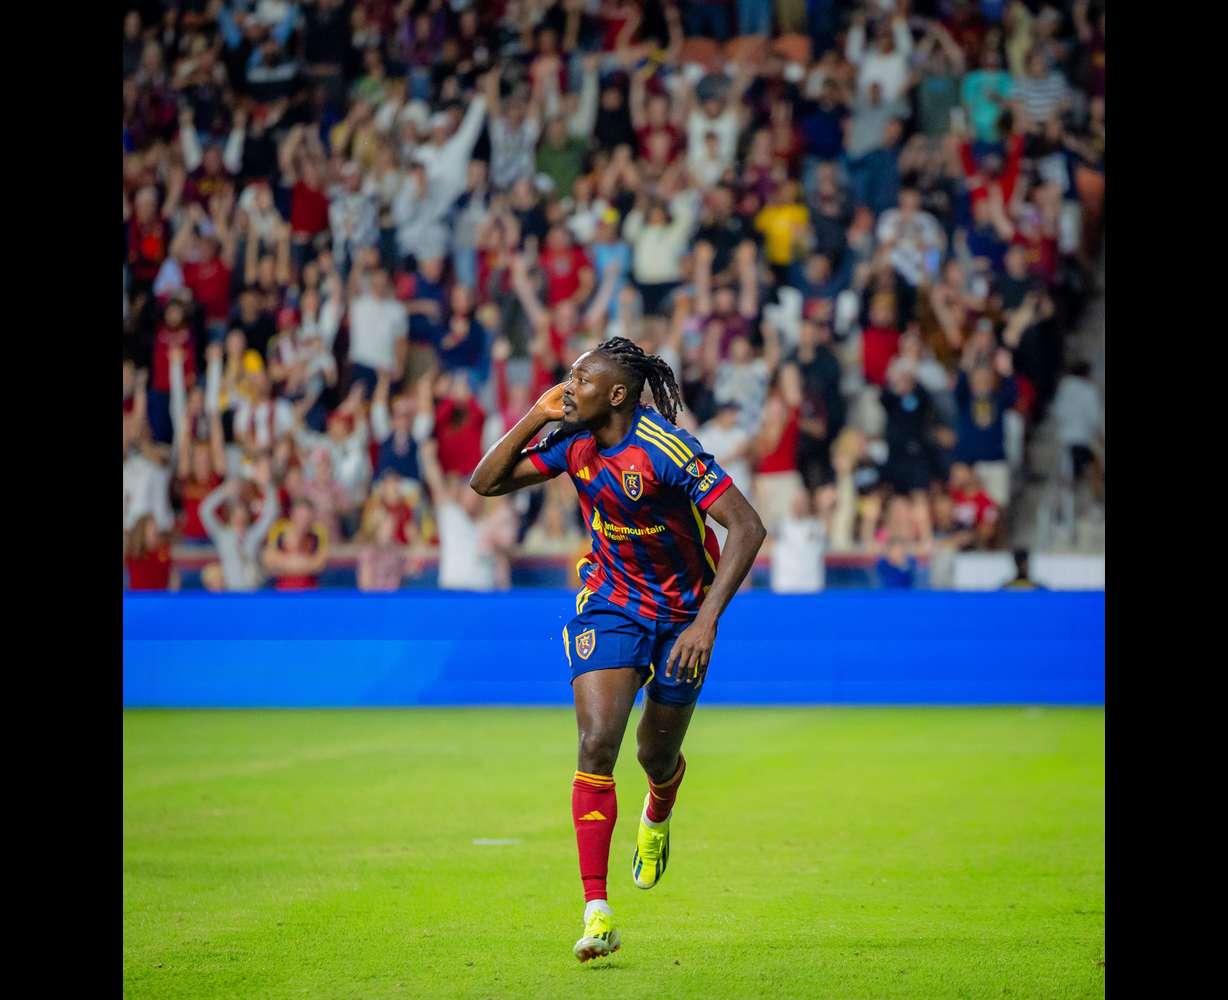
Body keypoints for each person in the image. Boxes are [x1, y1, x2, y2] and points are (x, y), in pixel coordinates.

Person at [469, 336, 766, 963]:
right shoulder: (572, 441)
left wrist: (706, 621)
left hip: (685, 612)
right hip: (610, 602)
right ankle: (597, 910)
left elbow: (747, 526)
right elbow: (485, 482)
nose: (569, 385)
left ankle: (661, 801)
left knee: (655, 754)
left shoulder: (666, 449)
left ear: (618, 394)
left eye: (580, 379)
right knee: (596, 742)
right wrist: (535, 414)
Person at [199, 478, 281, 591]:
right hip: (231, 592)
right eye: (236, 515)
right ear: (230, 517)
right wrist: (223, 491)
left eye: (243, 515)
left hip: (253, 592)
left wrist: (267, 486)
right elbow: (205, 511)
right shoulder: (222, 535)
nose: (239, 519)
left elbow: (272, 513)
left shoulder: (253, 535)